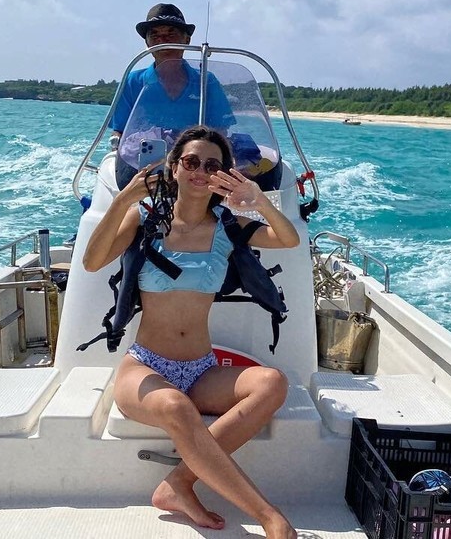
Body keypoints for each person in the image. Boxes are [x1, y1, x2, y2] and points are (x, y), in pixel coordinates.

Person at [82, 126, 299, 539]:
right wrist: (124, 199)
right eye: (191, 162)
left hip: (201, 369)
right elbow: (92, 262)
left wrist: (256, 200)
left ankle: (178, 483)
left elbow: (287, 239)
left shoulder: (228, 227)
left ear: (224, 175)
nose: (201, 171)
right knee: (176, 407)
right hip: (145, 368)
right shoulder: (144, 218)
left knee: (272, 383)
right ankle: (270, 518)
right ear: (174, 167)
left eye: (212, 165)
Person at [110, 4, 235, 188]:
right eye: (155, 35)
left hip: (195, 167)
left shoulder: (206, 81)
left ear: (186, 39)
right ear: (147, 43)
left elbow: (221, 130)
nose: (163, 40)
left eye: (171, 33)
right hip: (145, 167)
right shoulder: (133, 81)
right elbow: (119, 132)